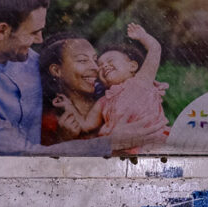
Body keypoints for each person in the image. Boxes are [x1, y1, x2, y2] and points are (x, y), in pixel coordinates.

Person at [0, 0, 164, 155]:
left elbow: (87, 87)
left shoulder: (29, 60)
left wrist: (135, 87)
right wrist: (112, 142)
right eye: (34, 32)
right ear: (2, 31)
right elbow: (23, 155)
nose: (40, 39)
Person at [46, 24, 170, 152]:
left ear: (132, 66)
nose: (104, 66)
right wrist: (68, 106)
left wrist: (142, 36)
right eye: (100, 65)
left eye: (110, 60)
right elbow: (85, 124)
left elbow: (155, 49)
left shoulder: (141, 82)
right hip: (120, 152)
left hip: (153, 145)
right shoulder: (103, 101)